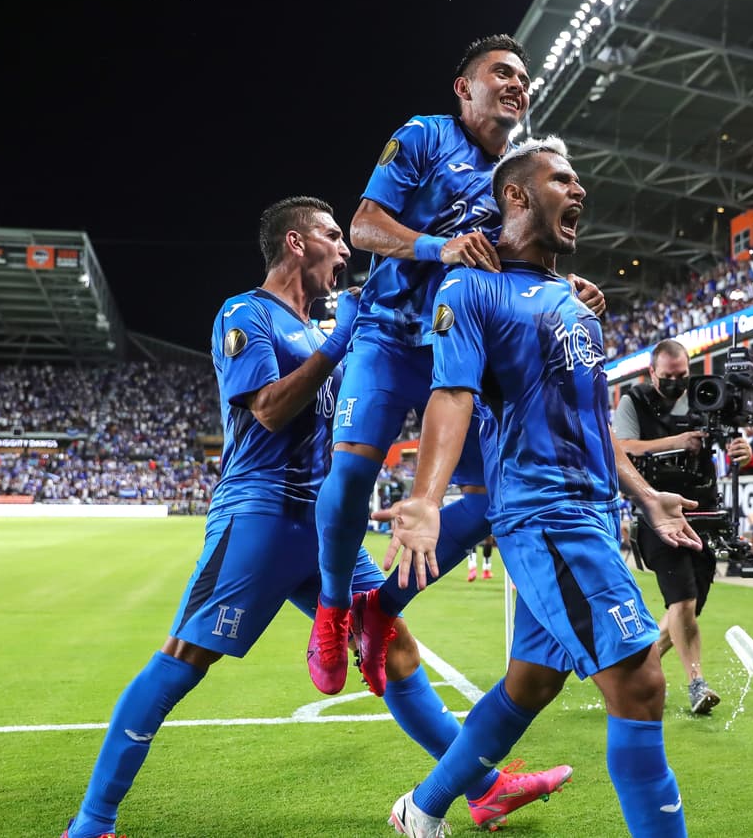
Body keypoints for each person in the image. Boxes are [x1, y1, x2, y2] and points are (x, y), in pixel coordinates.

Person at [60, 198, 562, 838]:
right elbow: (268, 409)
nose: (345, 249)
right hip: (261, 512)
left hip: (326, 524)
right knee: (185, 654)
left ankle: (484, 790)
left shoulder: (321, 328)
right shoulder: (246, 313)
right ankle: (92, 823)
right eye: (333, 235)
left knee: (394, 644)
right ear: (296, 244)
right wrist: (338, 342)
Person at [375, 137, 696, 838]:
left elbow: (584, 421)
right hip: (546, 516)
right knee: (640, 680)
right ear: (516, 195)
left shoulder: (573, 303)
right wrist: (425, 497)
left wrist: (644, 495)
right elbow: (452, 393)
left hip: (591, 510)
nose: (579, 191)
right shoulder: (472, 285)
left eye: (580, 181)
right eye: (562, 180)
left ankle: (423, 807)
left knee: (532, 682)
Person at [308, 34, 605, 696]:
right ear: (463, 88)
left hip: (464, 348)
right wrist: (441, 246)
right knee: (354, 472)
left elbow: (524, 254)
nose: (515, 84)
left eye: (523, 78)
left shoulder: (517, 179)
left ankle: (378, 608)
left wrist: (568, 287)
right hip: (388, 336)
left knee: (487, 504)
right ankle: (332, 609)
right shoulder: (423, 136)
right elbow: (363, 226)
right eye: (501, 72)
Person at [612, 339, 752, 716]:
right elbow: (621, 448)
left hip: (704, 515)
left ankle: (627, 672)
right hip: (658, 517)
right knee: (683, 601)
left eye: (683, 375)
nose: (677, 382)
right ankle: (696, 684)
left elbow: (730, 437)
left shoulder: (706, 394)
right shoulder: (634, 401)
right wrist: (676, 441)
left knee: (687, 609)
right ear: (652, 372)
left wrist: (744, 450)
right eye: (669, 376)